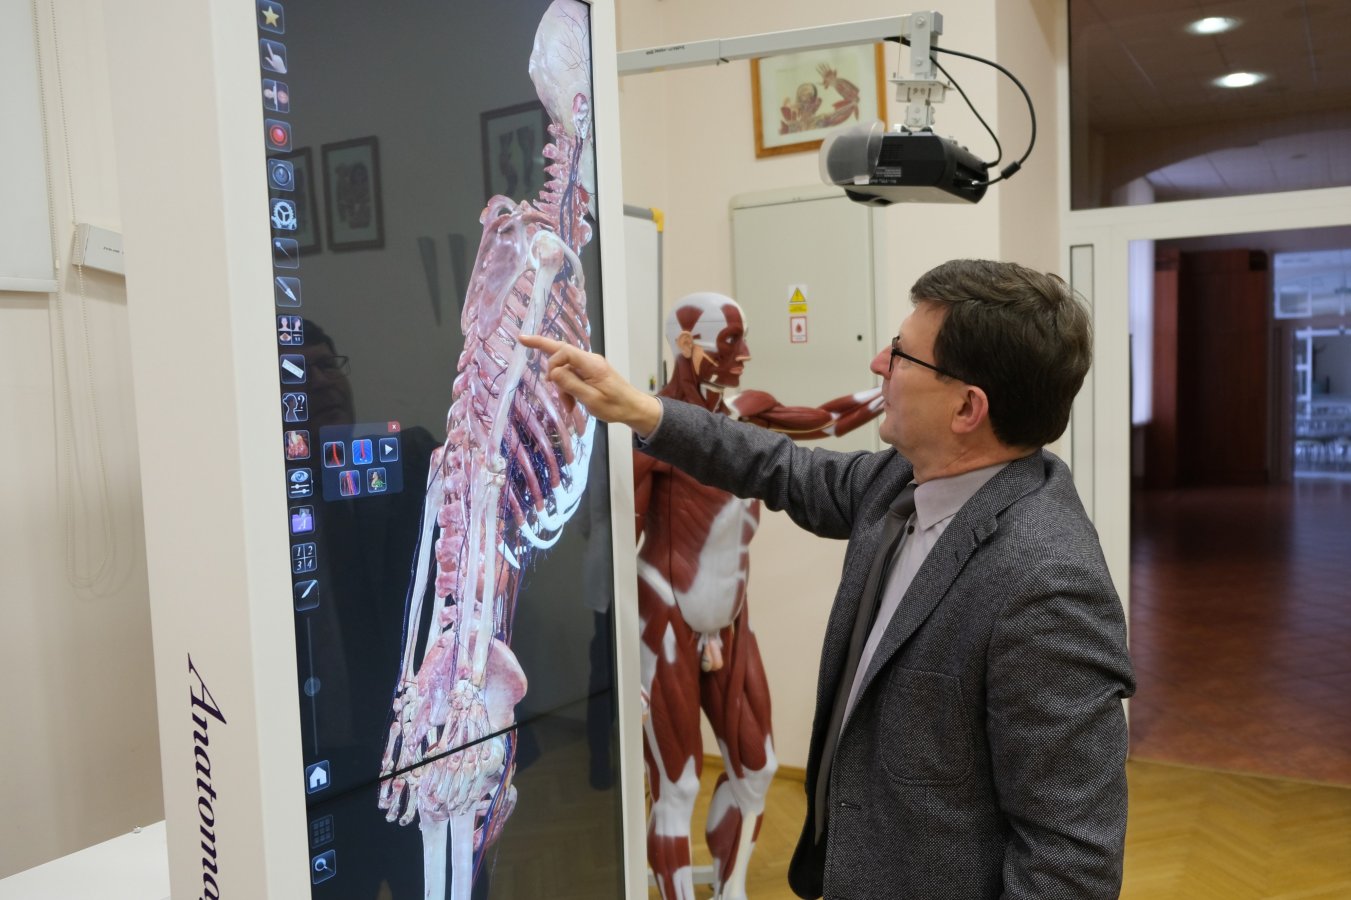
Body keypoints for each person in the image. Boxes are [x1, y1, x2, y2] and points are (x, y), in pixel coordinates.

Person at [521, 258, 1135, 899]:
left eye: (901, 354)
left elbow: (1071, 863)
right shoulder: (899, 485)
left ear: (966, 408)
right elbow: (781, 467)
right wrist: (642, 410)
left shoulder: (1049, 587)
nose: (878, 363)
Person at [634, 292, 881, 900]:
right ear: (686, 345)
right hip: (665, 615)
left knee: (757, 767)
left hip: (729, 619)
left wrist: (891, 390)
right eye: (729, 341)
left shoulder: (746, 412)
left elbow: (826, 419)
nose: (744, 353)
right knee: (676, 785)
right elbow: (618, 534)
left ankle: (731, 889)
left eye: (743, 338)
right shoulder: (654, 428)